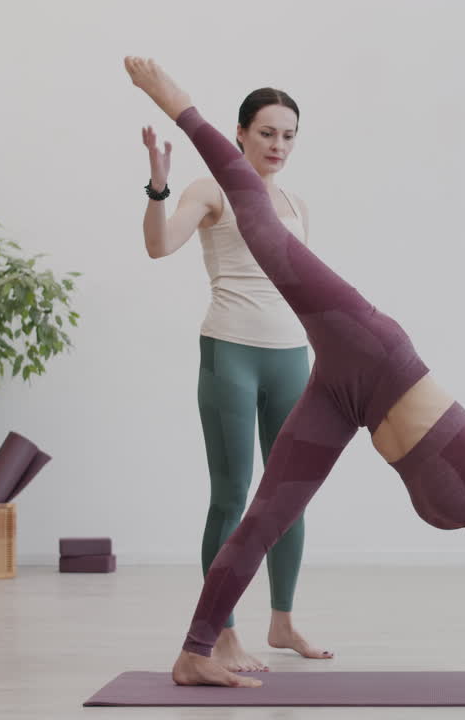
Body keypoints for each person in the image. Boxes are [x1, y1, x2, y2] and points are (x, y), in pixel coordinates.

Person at [124, 55, 465, 700]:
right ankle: (178, 101)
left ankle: (195, 653)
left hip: (345, 397)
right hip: (369, 347)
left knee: (266, 517)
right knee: (261, 227)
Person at [140, 87, 331, 671]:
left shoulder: (298, 206)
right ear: (241, 133)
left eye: (289, 135)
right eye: (268, 132)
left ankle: (283, 622)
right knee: (231, 496)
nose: (279, 145)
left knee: (289, 498)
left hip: (291, 357)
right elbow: (158, 246)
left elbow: (305, 289)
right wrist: (157, 185)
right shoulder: (211, 191)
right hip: (230, 351)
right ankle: (219, 633)